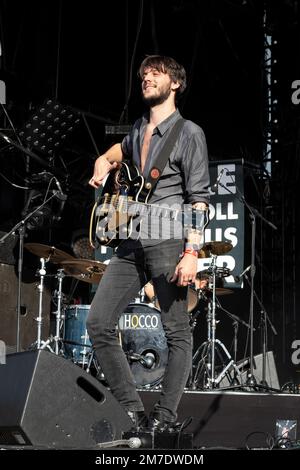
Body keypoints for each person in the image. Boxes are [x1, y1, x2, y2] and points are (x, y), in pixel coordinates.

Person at [87, 55, 210, 431]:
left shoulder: (189, 133)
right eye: (143, 73)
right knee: (98, 322)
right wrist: (102, 160)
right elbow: (118, 152)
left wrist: (192, 253)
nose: (147, 77)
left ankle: (164, 419)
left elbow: (199, 199)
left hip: (169, 238)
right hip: (133, 239)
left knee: (177, 332)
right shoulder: (139, 128)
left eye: (156, 73)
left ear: (175, 83)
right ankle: (132, 411)